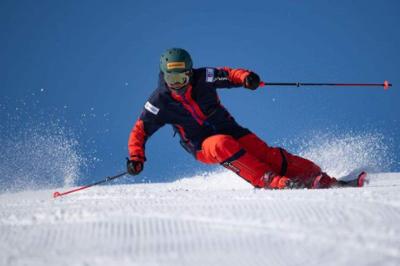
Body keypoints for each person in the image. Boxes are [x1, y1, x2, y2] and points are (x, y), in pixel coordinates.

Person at [126, 48, 337, 189]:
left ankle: (316, 176)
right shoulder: (159, 101)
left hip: (230, 129)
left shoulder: (204, 77)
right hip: (202, 145)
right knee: (221, 144)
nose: (177, 84)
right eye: (171, 79)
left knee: (266, 154)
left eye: (181, 78)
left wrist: (246, 78)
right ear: (163, 76)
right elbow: (140, 131)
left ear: (190, 73)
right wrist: (136, 158)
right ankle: (271, 181)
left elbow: (229, 74)